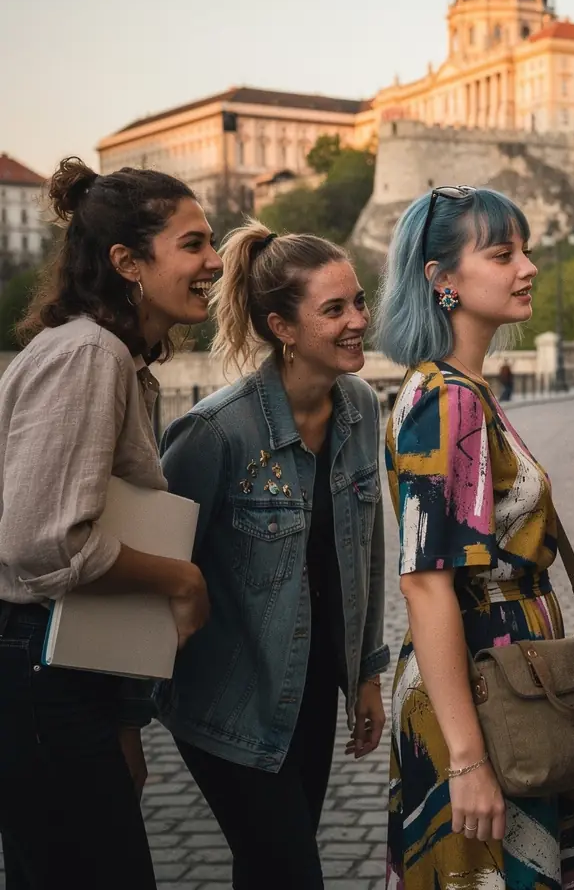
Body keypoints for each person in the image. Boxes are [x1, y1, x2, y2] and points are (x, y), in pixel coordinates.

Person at [0, 157, 215, 890]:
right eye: (193, 244)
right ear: (127, 262)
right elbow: (43, 543)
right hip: (40, 671)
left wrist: (123, 719)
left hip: (55, 669)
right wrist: (181, 579)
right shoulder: (89, 355)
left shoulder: (105, 355)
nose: (215, 262)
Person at [157, 220, 390, 890]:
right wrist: (123, 718)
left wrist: (365, 674)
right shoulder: (215, 432)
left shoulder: (359, 407)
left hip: (310, 694)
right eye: (334, 309)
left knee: (267, 871)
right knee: (291, 872)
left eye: (358, 302)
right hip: (227, 701)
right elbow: (158, 568)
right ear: (282, 327)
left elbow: (367, 552)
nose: (358, 321)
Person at [375, 186, 574, 890]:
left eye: (525, 251)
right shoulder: (449, 399)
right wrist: (467, 759)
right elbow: (425, 583)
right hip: (483, 692)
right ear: (443, 280)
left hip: (499, 684)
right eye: (502, 255)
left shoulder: (455, 387)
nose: (528, 268)